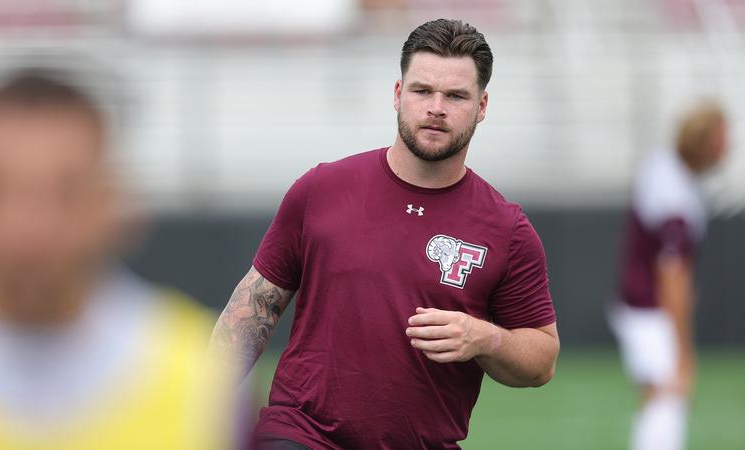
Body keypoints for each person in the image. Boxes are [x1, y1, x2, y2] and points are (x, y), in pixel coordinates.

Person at [211, 19, 559, 449]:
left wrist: (486, 337)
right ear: (398, 94)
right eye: (422, 91)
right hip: (301, 433)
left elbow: (541, 361)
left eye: (455, 96)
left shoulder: (507, 230)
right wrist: (195, 405)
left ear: (482, 106)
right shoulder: (321, 190)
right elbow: (256, 305)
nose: (436, 107)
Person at [0, 56, 232, 450]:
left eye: (66, 193)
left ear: (112, 203)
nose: (32, 228)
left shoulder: (199, 382)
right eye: (1, 193)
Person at [610, 100, 727, 450]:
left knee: (656, 397)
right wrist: (684, 349)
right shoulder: (676, 196)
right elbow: (672, 276)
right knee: (668, 397)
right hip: (650, 309)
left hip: (634, 300)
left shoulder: (662, 165)